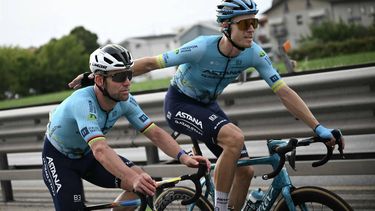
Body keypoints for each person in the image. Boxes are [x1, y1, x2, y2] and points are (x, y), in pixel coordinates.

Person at [69, 1, 344, 210]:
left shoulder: (254, 54)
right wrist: (94, 76)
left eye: (254, 23)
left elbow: (283, 91)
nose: (251, 29)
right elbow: (152, 62)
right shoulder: (201, 47)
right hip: (179, 104)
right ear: (226, 27)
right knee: (234, 137)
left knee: (245, 170)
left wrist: (317, 126)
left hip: (207, 106)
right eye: (244, 24)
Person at [42, 44, 210, 211]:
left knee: (144, 183)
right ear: (100, 80)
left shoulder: (125, 100)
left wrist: (183, 157)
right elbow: (100, 149)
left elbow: (155, 133)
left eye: (129, 74)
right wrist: (132, 179)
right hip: (59, 159)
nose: (127, 82)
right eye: (120, 76)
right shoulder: (82, 103)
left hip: (88, 155)